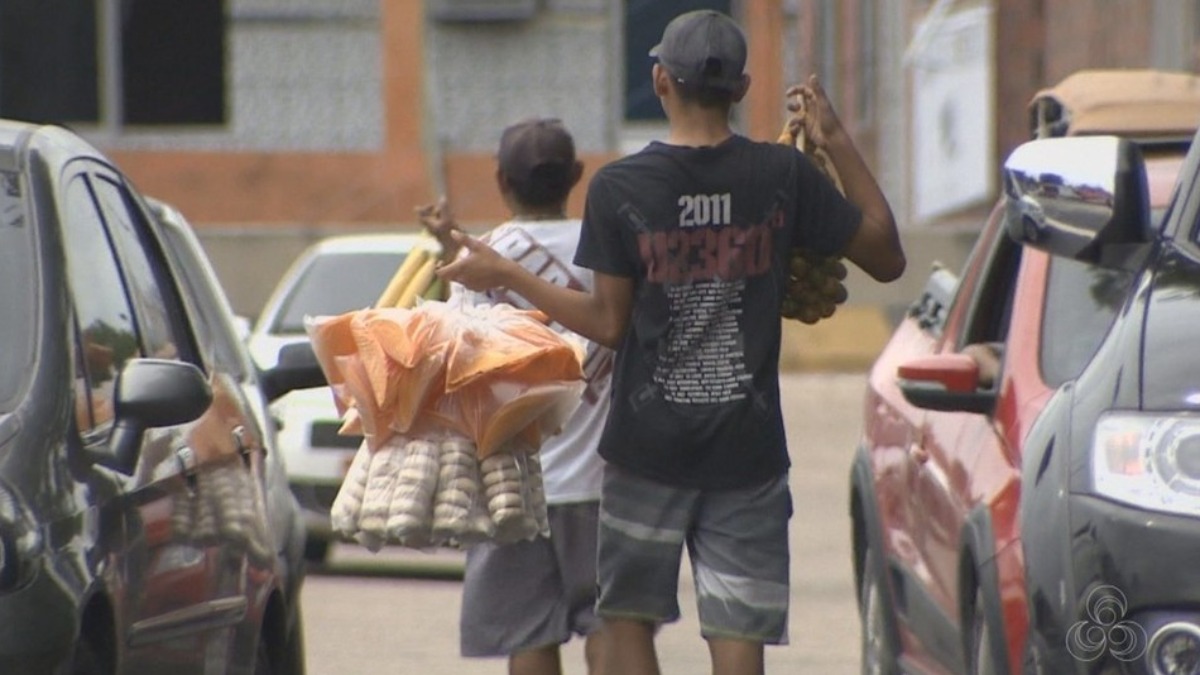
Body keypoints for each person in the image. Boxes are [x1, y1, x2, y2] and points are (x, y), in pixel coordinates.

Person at [436, 10, 906, 675]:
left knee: (625, 619)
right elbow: (887, 256)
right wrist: (834, 134)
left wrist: (505, 272)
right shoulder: (783, 175)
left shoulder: (621, 187)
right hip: (748, 450)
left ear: (660, 82)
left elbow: (606, 322)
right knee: (737, 631)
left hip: (643, 453)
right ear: (740, 90)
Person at [416, 118, 612, 675]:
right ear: (576, 175)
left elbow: (466, 372)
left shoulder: (480, 258)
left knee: (528, 635)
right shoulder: (606, 247)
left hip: (512, 487)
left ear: (500, 180)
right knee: (611, 625)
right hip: (602, 483)